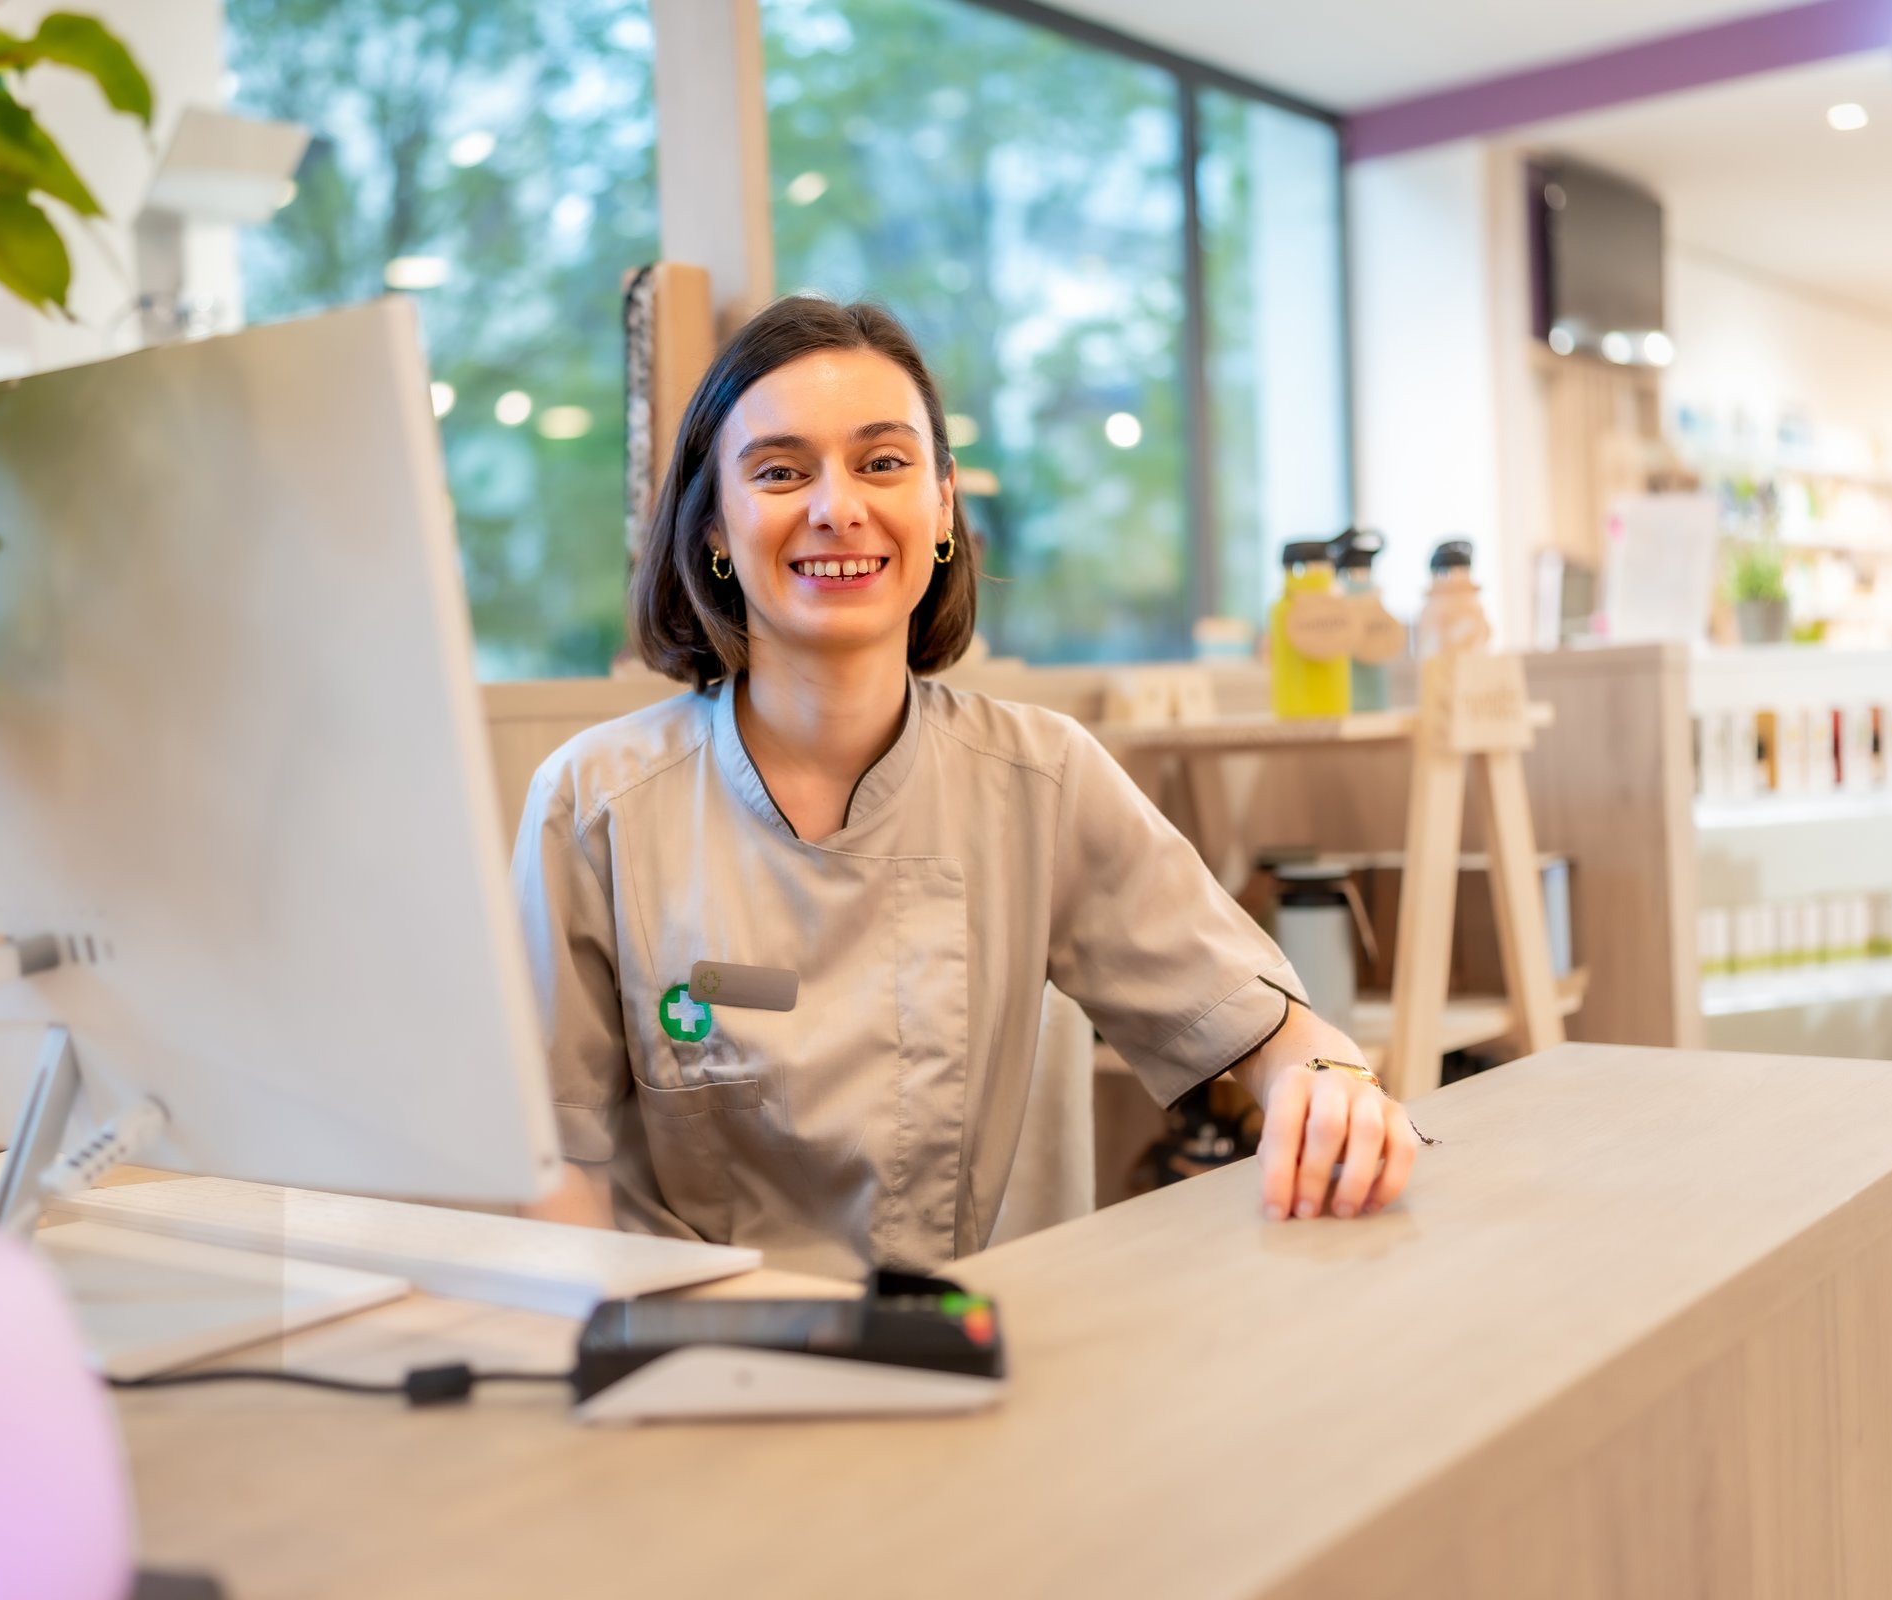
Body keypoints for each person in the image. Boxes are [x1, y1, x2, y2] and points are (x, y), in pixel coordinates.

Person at [513, 295, 1418, 1279]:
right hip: (704, 1373)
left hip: (995, 1358)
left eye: (883, 462)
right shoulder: (593, 804)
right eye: (780, 471)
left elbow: (1277, 1031)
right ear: (715, 527)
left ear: (942, 505)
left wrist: (1327, 1080)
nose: (837, 506)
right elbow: (555, 1156)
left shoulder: (1043, 780)